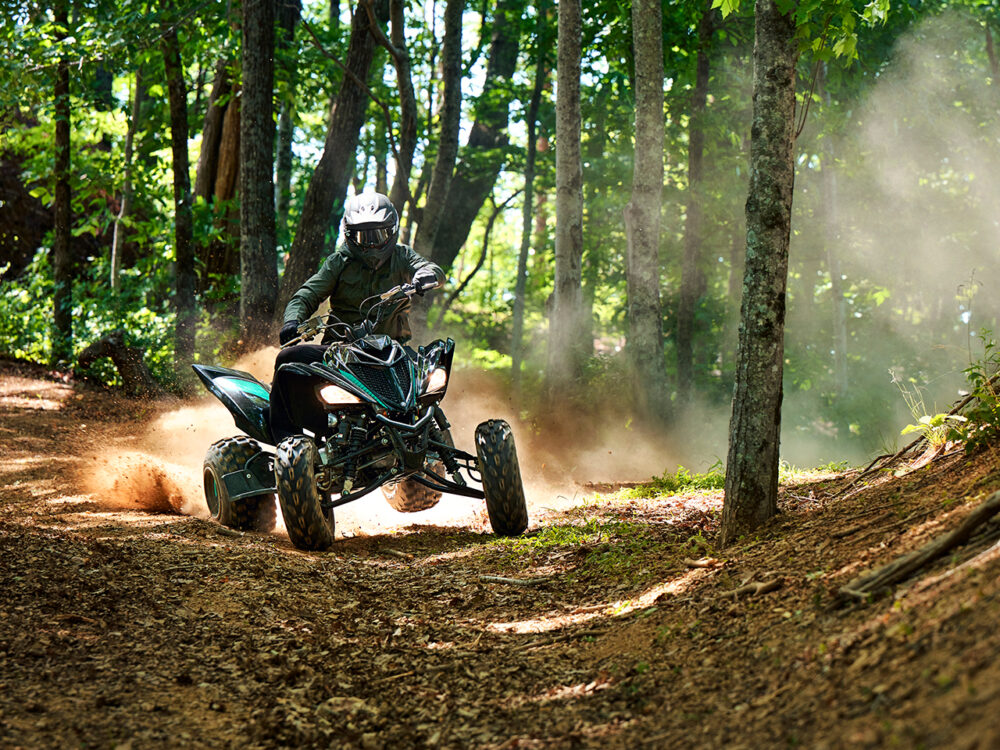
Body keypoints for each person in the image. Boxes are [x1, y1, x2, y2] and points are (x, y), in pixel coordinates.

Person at [269, 191, 444, 441]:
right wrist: (292, 320)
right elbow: (307, 294)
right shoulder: (339, 261)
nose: (372, 244)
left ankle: (434, 440)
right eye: (364, 236)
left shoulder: (403, 256)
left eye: (379, 234)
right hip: (340, 351)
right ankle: (287, 440)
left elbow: (431, 269)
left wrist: (427, 276)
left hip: (394, 351)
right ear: (350, 235)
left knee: (430, 377)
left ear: (392, 231)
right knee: (287, 360)